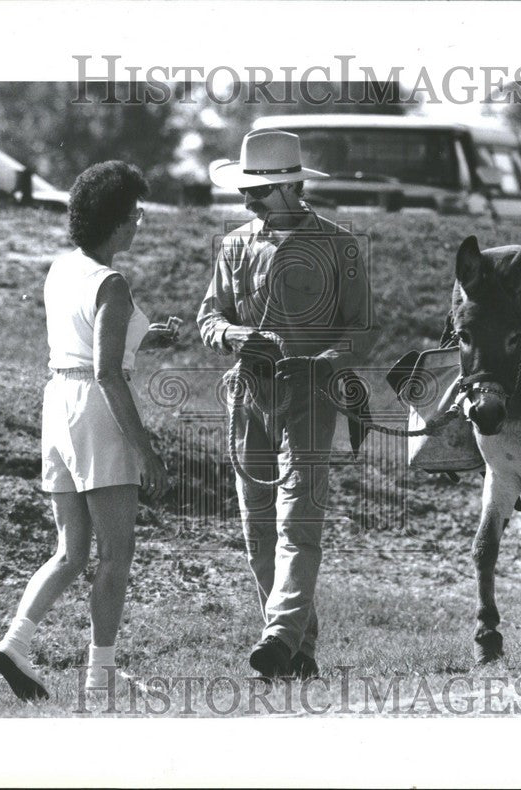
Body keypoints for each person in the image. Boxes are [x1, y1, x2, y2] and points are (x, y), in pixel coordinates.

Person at [0, 161, 175, 701]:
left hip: (57, 405)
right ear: (117, 222)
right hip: (96, 409)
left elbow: (89, 342)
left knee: (71, 551)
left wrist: (147, 338)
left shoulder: (62, 267)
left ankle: (16, 642)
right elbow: (107, 372)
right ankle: (101, 676)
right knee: (116, 553)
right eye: (136, 214)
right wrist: (148, 454)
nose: (139, 224)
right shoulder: (112, 283)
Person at [197, 129, 377, 679]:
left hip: (311, 398)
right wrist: (232, 336)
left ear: (291, 187)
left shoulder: (339, 246)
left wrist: (323, 362)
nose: (246, 199)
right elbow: (209, 317)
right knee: (258, 531)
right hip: (249, 396)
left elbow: (361, 331)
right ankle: (299, 652)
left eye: (257, 190)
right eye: (245, 190)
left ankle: (277, 635)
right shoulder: (232, 246)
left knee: (298, 523)